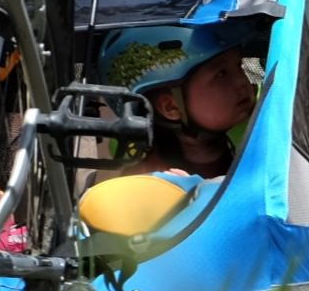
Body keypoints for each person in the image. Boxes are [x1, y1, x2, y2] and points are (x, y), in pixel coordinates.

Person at [96, 23, 261, 180]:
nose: (242, 81)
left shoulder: (260, 130)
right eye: (221, 74)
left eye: (239, 66)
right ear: (171, 107)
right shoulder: (148, 181)